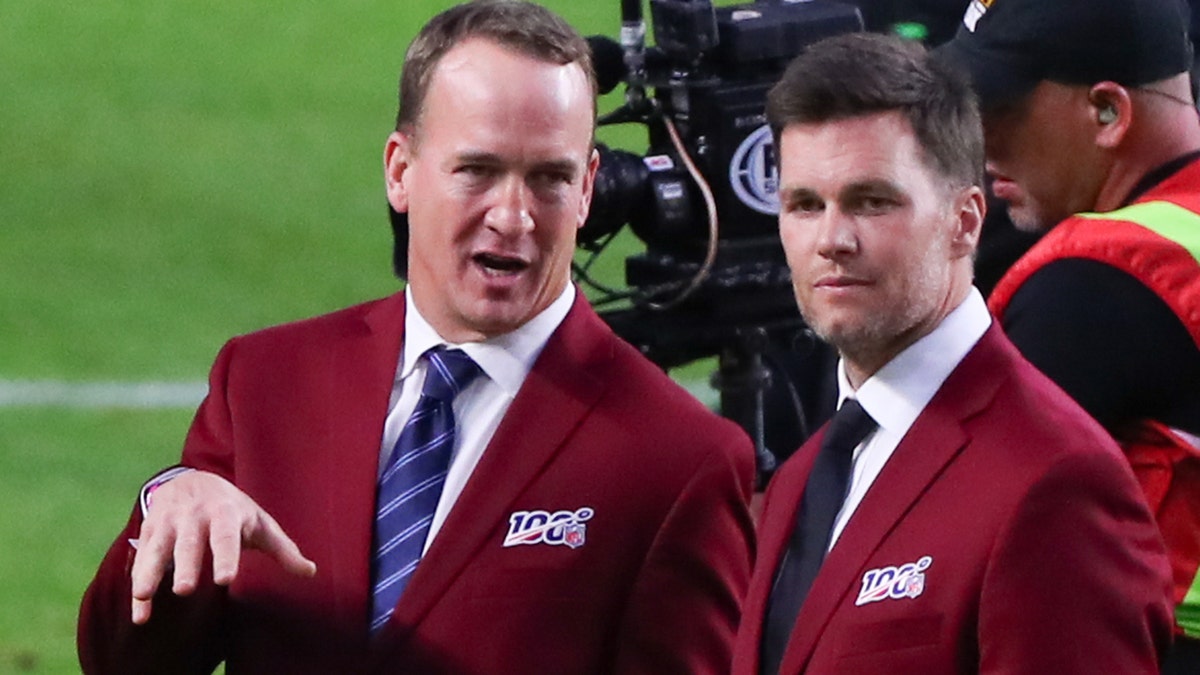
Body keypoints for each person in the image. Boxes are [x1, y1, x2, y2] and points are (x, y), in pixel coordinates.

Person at [77, 2, 756, 673]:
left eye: (549, 177)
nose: (514, 215)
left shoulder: (678, 459)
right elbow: (124, 661)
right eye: (478, 170)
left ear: (587, 189)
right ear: (401, 171)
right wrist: (169, 503)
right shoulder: (266, 380)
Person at [731, 32, 1174, 674]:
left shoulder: (1055, 480)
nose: (831, 239)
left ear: (965, 221)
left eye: (871, 201)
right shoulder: (803, 475)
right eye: (805, 204)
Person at [940, 1, 1200, 670]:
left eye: (997, 107)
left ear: (1109, 113)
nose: (975, 143)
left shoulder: (1091, 289)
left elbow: (946, 534)